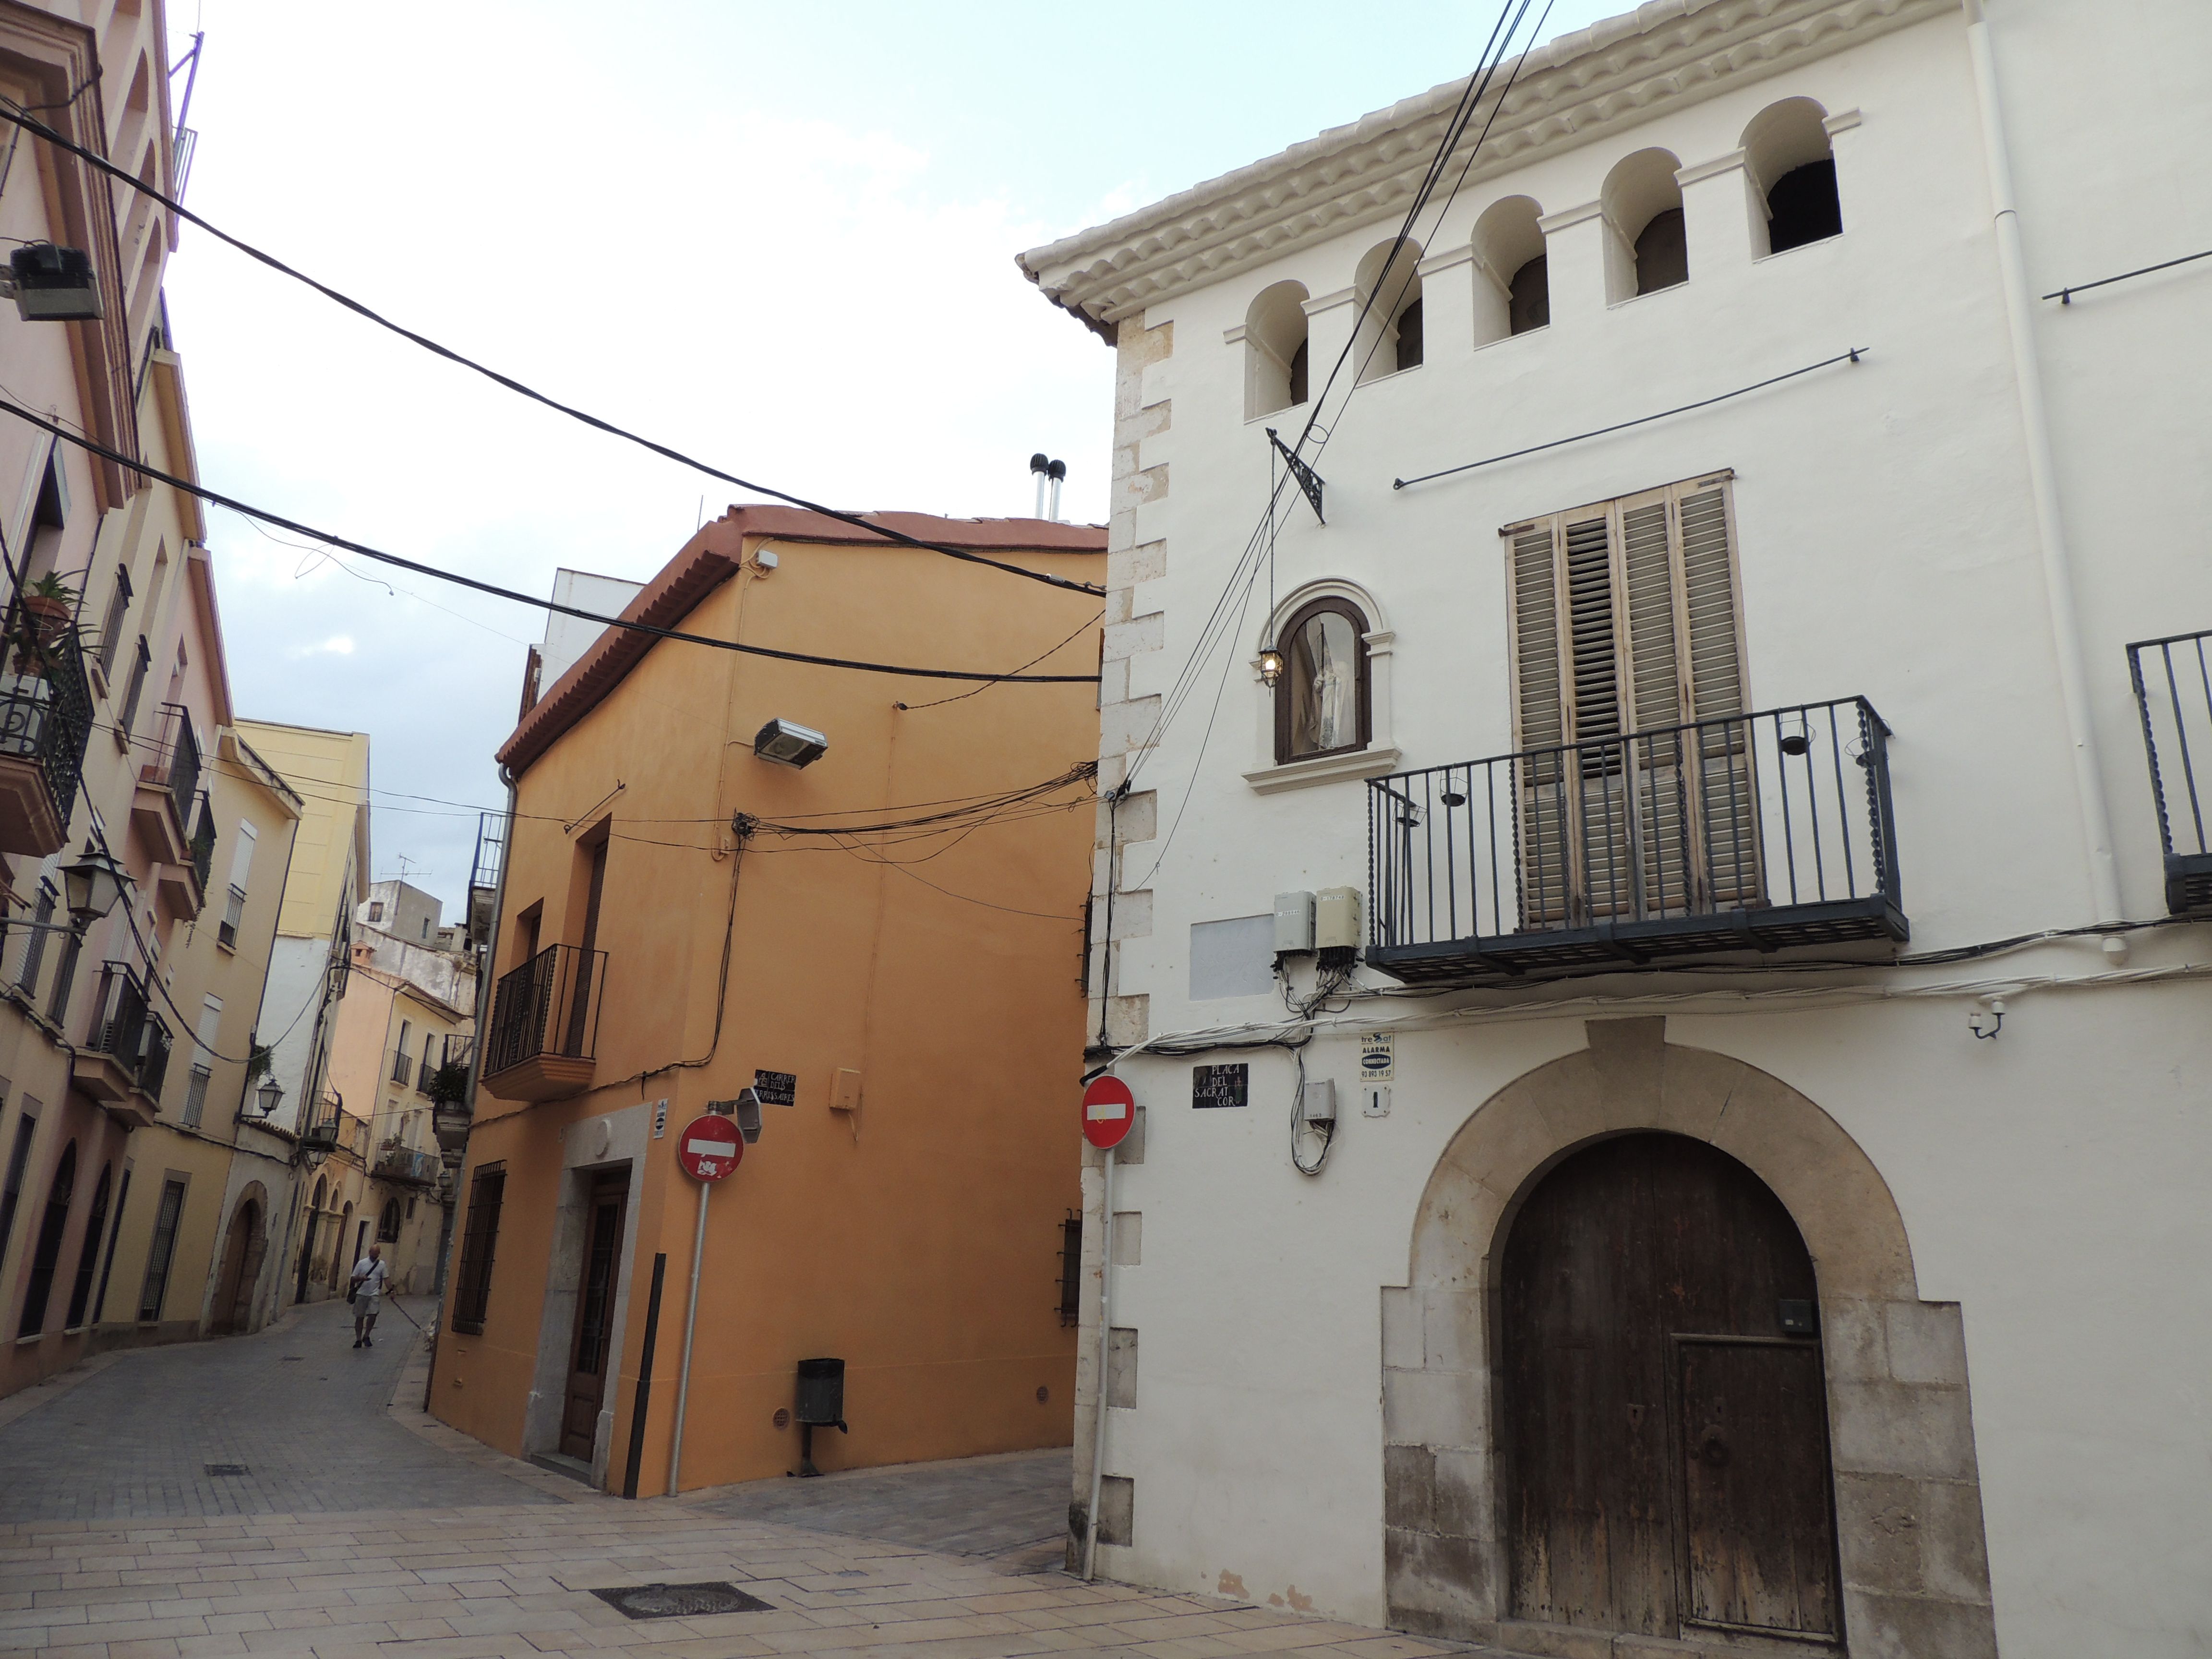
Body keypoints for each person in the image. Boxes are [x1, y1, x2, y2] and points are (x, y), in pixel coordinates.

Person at [349, 1243, 391, 1347]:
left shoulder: (382, 1265)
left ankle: (367, 1335)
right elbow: (353, 1278)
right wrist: (361, 1278)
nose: (375, 1256)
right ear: (370, 1252)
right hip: (361, 1293)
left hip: (374, 1293)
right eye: (373, 1253)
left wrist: (391, 1291)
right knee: (360, 1317)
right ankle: (358, 1339)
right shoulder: (362, 1263)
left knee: (373, 1315)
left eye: (377, 1254)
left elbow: (386, 1278)